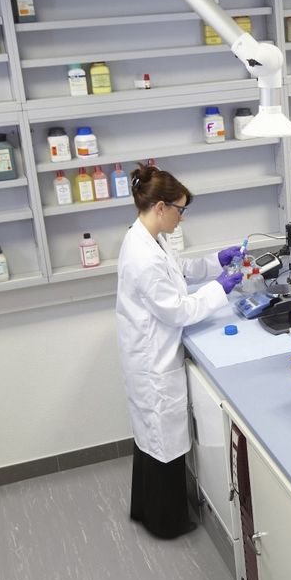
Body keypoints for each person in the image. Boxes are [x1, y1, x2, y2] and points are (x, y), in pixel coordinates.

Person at [116, 164, 243, 539]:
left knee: (152, 437)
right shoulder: (143, 256)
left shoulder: (145, 238)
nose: (181, 217)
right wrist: (221, 288)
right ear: (160, 207)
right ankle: (165, 523)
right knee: (163, 440)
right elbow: (178, 310)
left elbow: (178, 269)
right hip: (152, 360)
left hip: (147, 352)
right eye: (180, 210)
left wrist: (216, 262)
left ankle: (145, 509)